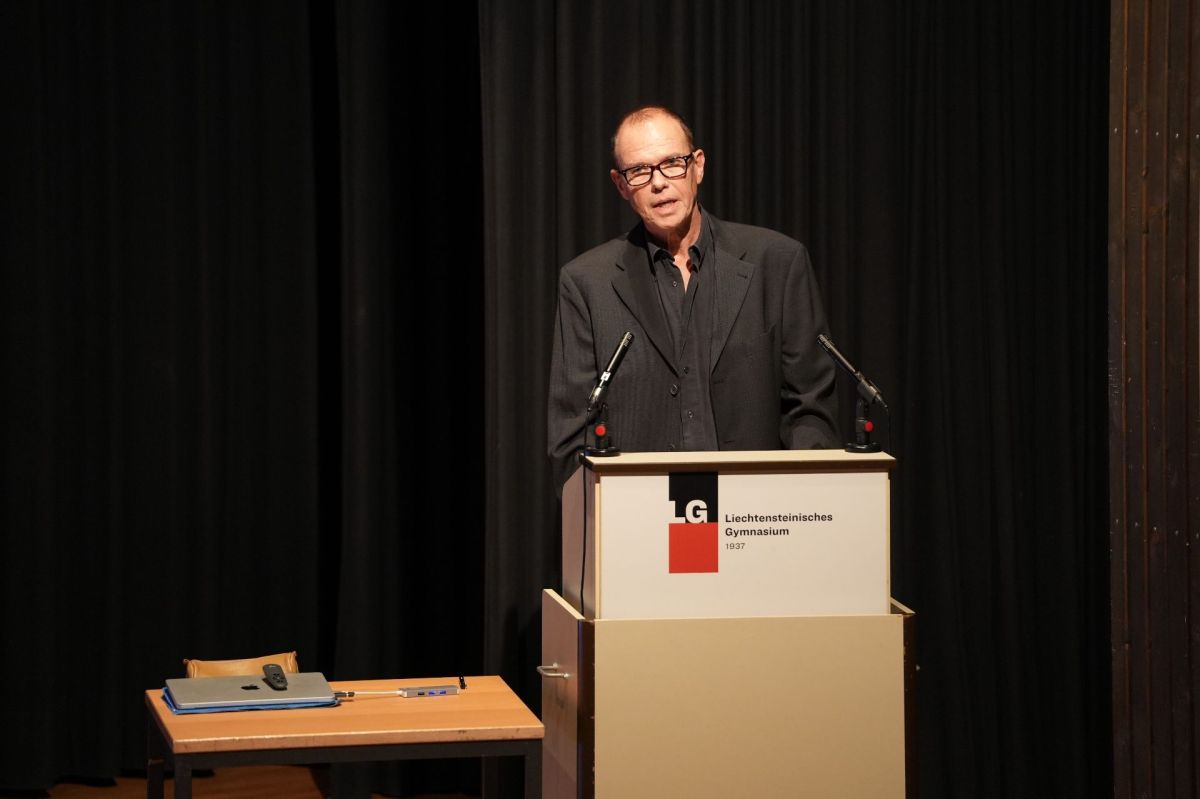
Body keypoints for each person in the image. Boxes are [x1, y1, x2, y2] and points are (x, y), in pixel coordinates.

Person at [547, 105, 839, 489]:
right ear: (621, 185)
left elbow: (811, 406)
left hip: (755, 512)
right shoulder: (588, 283)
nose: (658, 182)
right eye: (640, 171)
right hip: (640, 515)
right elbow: (572, 434)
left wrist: (802, 500)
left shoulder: (778, 263)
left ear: (697, 166)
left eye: (672, 163)